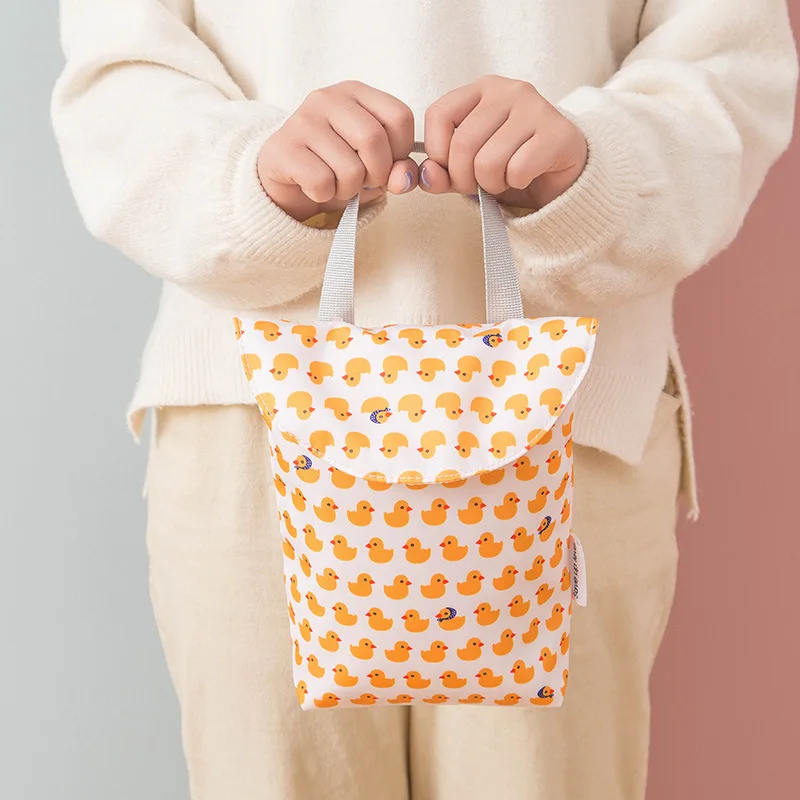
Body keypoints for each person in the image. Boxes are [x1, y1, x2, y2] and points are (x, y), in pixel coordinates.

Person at [51, 1, 797, 798]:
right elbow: (119, 79)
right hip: (257, 419)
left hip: (560, 422)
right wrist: (247, 175)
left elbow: (728, 70)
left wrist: (595, 168)